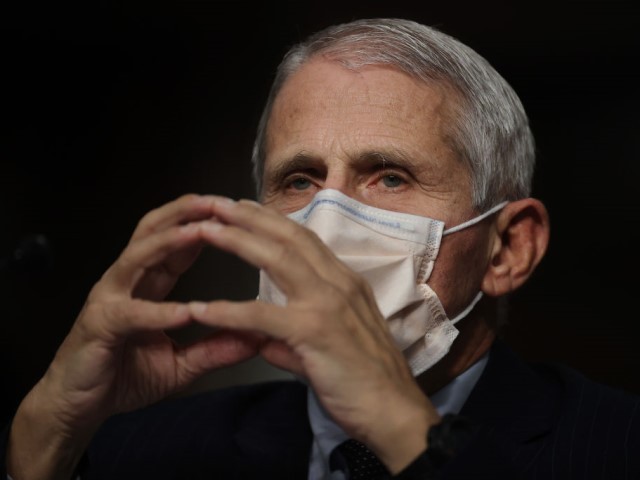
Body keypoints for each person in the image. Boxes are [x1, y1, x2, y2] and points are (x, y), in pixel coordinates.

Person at [3, 17, 640, 480]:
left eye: (389, 175)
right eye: (299, 180)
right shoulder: (144, 455)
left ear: (507, 249)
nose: (326, 223)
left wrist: (397, 423)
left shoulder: (615, 445)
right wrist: (46, 436)